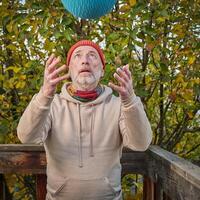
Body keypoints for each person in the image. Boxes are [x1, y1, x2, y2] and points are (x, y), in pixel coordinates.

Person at [17, 40, 152, 200]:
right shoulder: (51, 104)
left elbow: (141, 143)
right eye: (77, 56)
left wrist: (130, 100)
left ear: (102, 71)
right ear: (69, 70)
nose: (85, 60)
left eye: (92, 55)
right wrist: (45, 94)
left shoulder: (118, 105)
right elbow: (26, 137)